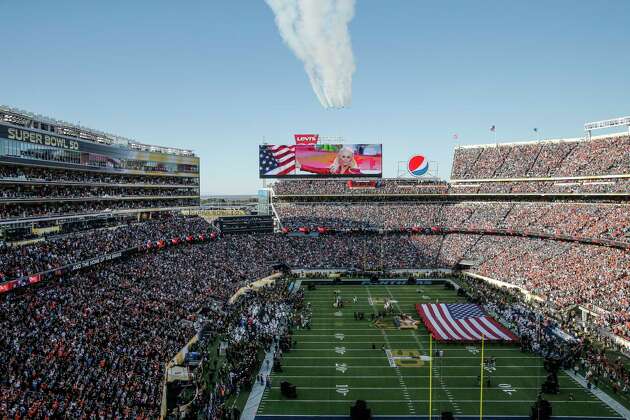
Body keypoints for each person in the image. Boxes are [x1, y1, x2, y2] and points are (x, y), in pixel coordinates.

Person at [296, 147, 362, 175]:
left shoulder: (355, 171)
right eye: (343, 156)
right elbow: (317, 170)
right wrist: (300, 166)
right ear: (339, 157)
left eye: (348, 157)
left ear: (351, 159)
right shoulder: (333, 170)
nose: (345, 159)